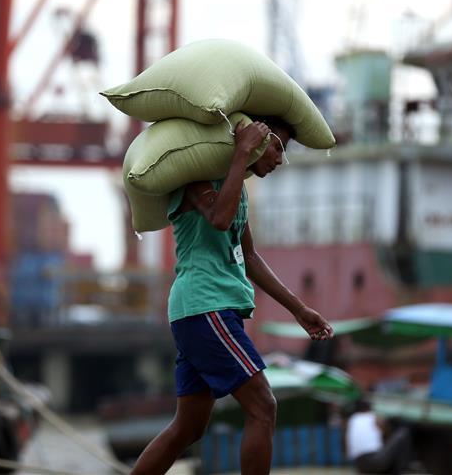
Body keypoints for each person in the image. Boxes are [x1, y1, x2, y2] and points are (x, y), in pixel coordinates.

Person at [130, 117, 334, 475]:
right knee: (263, 406)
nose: (280, 159)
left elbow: (249, 255)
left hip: (203, 312)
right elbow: (220, 219)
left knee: (189, 428)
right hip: (206, 306)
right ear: (257, 138)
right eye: (278, 146)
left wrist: (299, 310)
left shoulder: (236, 187)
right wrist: (241, 153)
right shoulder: (196, 177)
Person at [345, 398, 411, 475]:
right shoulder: (374, 416)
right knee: (402, 433)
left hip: (358, 465)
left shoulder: (353, 419)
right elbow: (386, 432)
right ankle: (404, 469)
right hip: (375, 462)